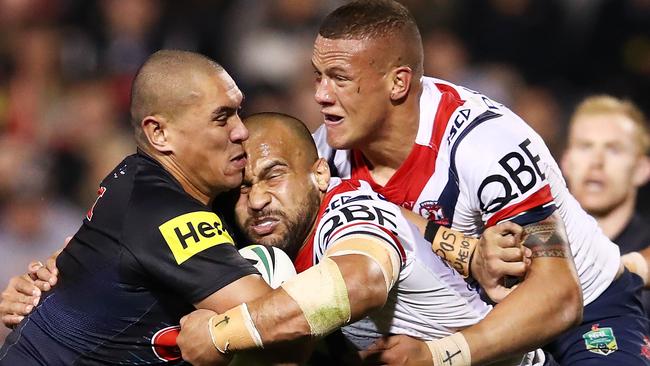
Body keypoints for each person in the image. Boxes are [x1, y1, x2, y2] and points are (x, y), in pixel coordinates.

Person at [308, 0, 648, 364]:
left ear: (398, 82)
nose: (321, 95)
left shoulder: (485, 145)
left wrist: (437, 356)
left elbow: (560, 296)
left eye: (339, 78)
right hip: (470, 318)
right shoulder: (325, 152)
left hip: (585, 307)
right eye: (318, 76)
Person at [177, 111, 545, 366]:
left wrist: (220, 334)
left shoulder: (346, 213)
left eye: (274, 176)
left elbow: (361, 281)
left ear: (320, 175)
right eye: (243, 189)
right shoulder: (279, 243)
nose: (256, 200)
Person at [0, 50, 277, 365]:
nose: (241, 131)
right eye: (221, 117)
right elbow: (274, 321)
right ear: (159, 133)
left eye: (238, 112)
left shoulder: (135, 175)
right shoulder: (165, 211)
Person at [561, 95, 650, 316]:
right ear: (566, 162)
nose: (596, 162)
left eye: (614, 149)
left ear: (641, 169)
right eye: (585, 147)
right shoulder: (535, 244)